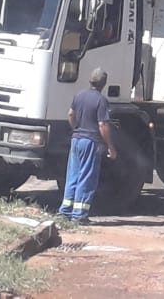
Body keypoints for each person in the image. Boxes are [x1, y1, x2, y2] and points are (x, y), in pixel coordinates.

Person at [57, 68, 118, 224]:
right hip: (90, 141)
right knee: (86, 177)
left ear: (90, 80)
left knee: (73, 175)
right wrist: (110, 146)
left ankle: (64, 212)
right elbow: (103, 124)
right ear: (103, 83)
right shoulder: (101, 100)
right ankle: (79, 215)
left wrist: (76, 129)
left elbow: (70, 114)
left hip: (76, 139)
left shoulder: (79, 95)